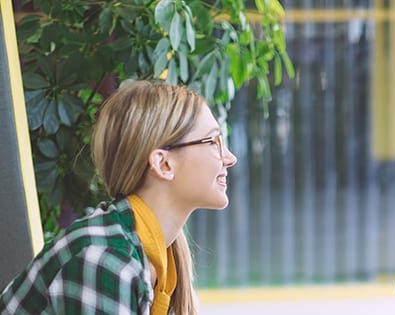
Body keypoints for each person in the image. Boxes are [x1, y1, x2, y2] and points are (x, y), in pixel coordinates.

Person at [0, 80, 237, 314]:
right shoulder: (104, 260)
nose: (229, 158)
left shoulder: (159, 259)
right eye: (213, 141)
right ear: (163, 164)